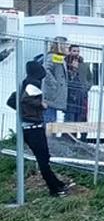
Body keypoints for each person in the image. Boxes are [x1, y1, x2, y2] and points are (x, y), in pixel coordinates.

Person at [6, 59, 72, 196]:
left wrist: (24, 111)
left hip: (30, 127)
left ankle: (56, 184)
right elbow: (27, 99)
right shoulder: (33, 83)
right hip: (33, 128)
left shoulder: (25, 83)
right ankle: (54, 188)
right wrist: (41, 105)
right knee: (43, 160)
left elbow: (14, 101)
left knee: (44, 158)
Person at [40, 39, 69, 123]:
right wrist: (54, 83)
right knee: (50, 121)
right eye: (65, 45)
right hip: (51, 95)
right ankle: (48, 136)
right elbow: (45, 69)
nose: (67, 47)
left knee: (52, 120)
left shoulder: (59, 58)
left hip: (55, 95)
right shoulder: (52, 56)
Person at [64, 54, 89, 123]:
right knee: (70, 119)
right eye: (74, 61)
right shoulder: (67, 72)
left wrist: (85, 88)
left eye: (77, 61)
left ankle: (83, 133)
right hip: (70, 100)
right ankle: (68, 133)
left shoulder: (82, 72)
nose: (76, 63)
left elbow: (88, 82)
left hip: (81, 98)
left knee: (81, 118)